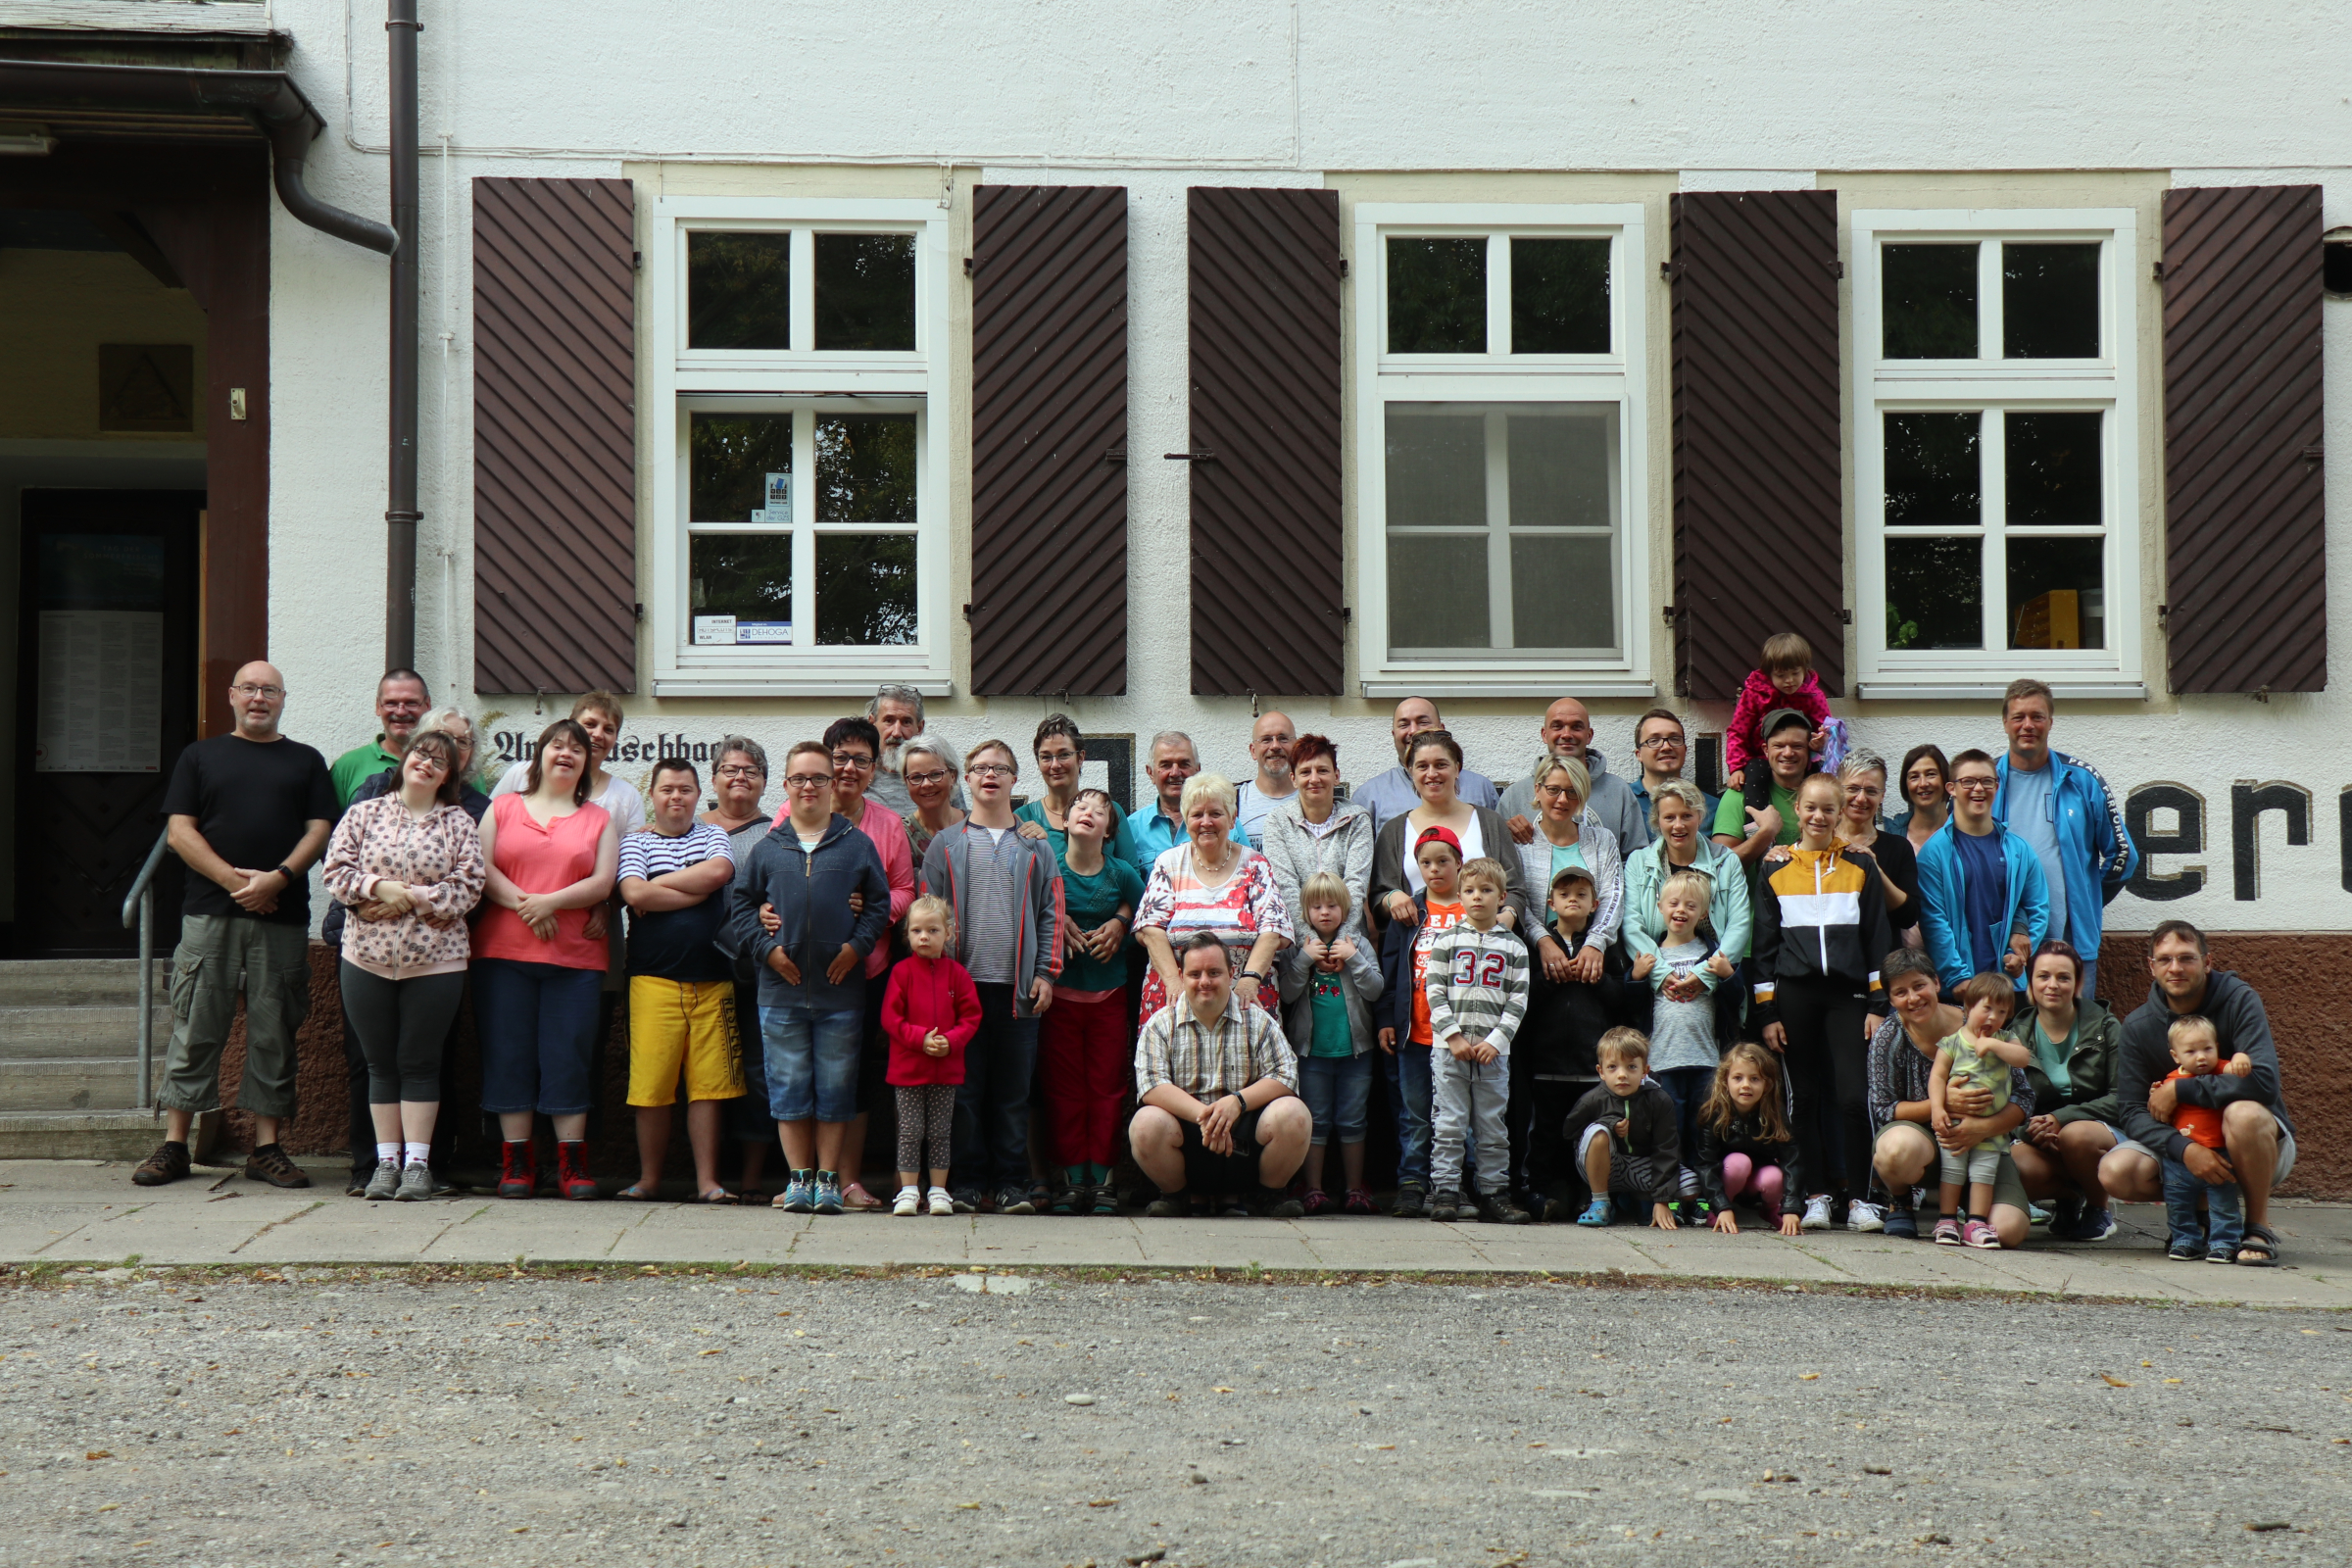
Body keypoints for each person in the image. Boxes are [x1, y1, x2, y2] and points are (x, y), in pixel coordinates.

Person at [134, 663, 336, 1192]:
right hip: (210, 913)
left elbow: (320, 829)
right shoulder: (200, 756)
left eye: (270, 690)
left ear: (283, 699)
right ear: (232, 696)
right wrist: (237, 883)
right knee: (196, 1027)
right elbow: (179, 832)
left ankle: (266, 1150)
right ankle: (175, 1146)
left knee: (274, 1033)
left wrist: (281, 878)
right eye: (249, 688)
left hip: (283, 917)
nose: (259, 698)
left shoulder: (306, 760)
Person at [319, 728, 483, 1200]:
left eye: (440, 760)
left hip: (436, 962)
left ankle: (417, 1166)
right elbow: (337, 871)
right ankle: (385, 1164)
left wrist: (410, 897)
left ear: (449, 775)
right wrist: (376, 889)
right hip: (365, 958)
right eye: (421, 754)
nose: (427, 763)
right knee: (379, 1063)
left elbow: (469, 884)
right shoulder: (364, 813)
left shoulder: (458, 822)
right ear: (405, 759)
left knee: (420, 1061)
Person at [734, 741, 891, 1217]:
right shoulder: (768, 848)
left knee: (835, 1088)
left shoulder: (857, 845)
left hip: (841, 993)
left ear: (831, 785)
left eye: (818, 778)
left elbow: (879, 905)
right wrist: (768, 952)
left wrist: (855, 948)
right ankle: (798, 1179)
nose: (808, 786)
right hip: (779, 992)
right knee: (789, 1087)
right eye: (799, 778)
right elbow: (742, 907)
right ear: (785, 786)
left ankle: (829, 1179)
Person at [470, 718, 619, 1202]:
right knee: (508, 1051)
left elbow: (602, 883)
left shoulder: (599, 818)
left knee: (568, 1054)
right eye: (557, 745)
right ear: (539, 755)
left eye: (577, 749)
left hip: (575, 960)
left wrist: (549, 904)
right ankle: (517, 1162)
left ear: (586, 763)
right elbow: (481, 867)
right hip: (503, 954)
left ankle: (571, 1164)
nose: (567, 753)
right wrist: (526, 905)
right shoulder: (503, 807)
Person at [919, 738, 1062, 1216]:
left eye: (1000, 768)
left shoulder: (1035, 845)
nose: (990, 776)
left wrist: (1045, 973)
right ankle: (965, 1183)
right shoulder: (946, 844)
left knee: (1012, 1095)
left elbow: (1051, 913)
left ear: (1014, 779)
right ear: (967, 779)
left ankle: (1011, 1185)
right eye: (980, 768)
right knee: (963, 1092)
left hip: (1019, 992)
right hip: (961, 991)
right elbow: (928, 914)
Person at [1749, 772, 1895, 1232]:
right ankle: (1814, 1195)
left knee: (1854, 1097)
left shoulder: (1860, 866)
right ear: (1797, 809)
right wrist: (1768, 1013)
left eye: (1827, 809)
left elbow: (1877, 939)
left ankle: (1861, 1199)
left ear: (1840, 813)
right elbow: (1764, 948)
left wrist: (1877, 1005)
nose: (1818, 816)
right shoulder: (1774, 867)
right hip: (1796, 995)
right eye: (1810, 807)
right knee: (1803, 1099)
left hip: (1848, 996)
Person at [2103, 921, 2296, 1267]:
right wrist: (2186, 1150)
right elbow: (2131, 1110)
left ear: (2207, 962)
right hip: (2183, 1145)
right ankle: (2198, 1218)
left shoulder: (2239, 1000)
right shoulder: (2138, 1025)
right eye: (2164, 959)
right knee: (2116, 1171)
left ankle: (2256, 1227)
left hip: (2255, 1144)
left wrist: (2180, 1089)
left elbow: (2265, 1082)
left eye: (2186, 958)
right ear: (2152, 966)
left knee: (2244, 1114)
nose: (2175, 968)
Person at [806, 715, 919, 1212]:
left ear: (875, 769)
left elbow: (905, 891)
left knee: (851, 1076)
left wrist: (872, 910)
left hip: (866, 970)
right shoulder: (796, 812)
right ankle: (803, 1177)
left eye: (861, 760)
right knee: (804, 1072)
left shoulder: (888, 824)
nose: (849, 768)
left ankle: (846, 1180)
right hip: (803, 969)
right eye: (840, 758)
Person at [616, 759, 742, 1203]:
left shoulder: (714, 835)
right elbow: (633, 893)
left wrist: (660, 887)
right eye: (667, 789)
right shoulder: (633, 842)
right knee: (651, 1087)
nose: (676, 797)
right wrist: (693, 890)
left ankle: (708, 1182)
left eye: (685, 789)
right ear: (652, 795)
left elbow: (718, 874)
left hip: (713, 978)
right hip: (652, 980)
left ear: (696, 794)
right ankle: (649, 1180)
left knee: (708, 1088)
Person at [1129, 932, 1309, 1218]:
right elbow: (1151, 1085)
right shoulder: (1161, 1024)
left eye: (1214, 972)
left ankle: (1269, 1195)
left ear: (1231, 973)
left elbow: (1286, 1074)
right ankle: (1177, 1197)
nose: (1204, 982)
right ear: (1182, 975)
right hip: (1188, 1138)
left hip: (1245, 1143)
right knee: (1145, 1123)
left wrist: (1235, 1103)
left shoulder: (1258, 1020)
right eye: (1195, 973)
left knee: (1294, 1113)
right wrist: (1207, 1116)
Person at [1865, 948, 2034, 1245]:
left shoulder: (1983, 1022)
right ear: (1891, 1000)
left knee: (2009, 1231)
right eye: (1901, 992)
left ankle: (1974, 1220)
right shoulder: (1889, 1035)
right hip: (1927, 1144)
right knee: (1895, 1149)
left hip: (1985, 1143)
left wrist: (1981, 1128)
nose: (1913, 998)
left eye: (1919, 986)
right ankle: (1902, 1201)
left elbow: (2024, 1096)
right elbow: (1883, 1108)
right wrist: (1940, 1104)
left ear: (1936, 984)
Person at [1992, 679, 2138, 999]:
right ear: (2005, 722)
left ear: (2051, 722)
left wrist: (2087, 898)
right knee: (2008, 1041)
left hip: (2071, 940)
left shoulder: (2082, 780)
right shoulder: (1984, 783)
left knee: (2075, 1041)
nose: (2027, 725)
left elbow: (2124, 855)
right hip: (2001, 941)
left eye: (2037, 716)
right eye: (2018, 717)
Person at [1038, 787, 1142, 1216]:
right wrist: (1056, 920)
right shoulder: (1048, 866)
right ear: (1064, 822)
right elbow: (1026, 907)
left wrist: (1120, 919)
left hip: (1109, 998)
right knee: (1063, 1090)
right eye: (1080, 807)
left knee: (1107, 1088)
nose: (1088, 813)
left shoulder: (1119, 873)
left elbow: (1152, 909)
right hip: (1058, 1000)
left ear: (1109, 830)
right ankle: (1069, 1177)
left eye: (1100, 811)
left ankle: (1102, 1179)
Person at [1134, 772, 1291, 1027]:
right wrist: (1175, 982)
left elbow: (1273, 930)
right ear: (1186, 820)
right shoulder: (1169, 863)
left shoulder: (1255, 864)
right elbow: (1150, 929)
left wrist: (1250, 980)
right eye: (1197, 815)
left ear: (1232, 819)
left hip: (1245, 997)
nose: (1206, 822)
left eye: (1215, 814)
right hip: (1175, 996)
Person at [1423, 857, 1532, 1225]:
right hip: (1449, 1051)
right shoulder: (1446, 940)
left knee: (1491, 1126)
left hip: (1493, 1055)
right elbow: (1433, 990)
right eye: (1469, 891)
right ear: (1459, 895)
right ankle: (1446, 1192)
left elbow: (1519, 1000)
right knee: (1449, 1123)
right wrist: (1452, 1035)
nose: (1477, 897)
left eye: (1486, 891)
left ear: (1501, 897)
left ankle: (1493, 1194)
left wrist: (1497, 1041)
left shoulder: (1515, 947)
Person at [1513, 865, 1621, 1220]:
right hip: (1547, 1066)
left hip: (1591, 1067)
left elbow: (1623, 999)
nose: (1572, 899)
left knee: (1589, 1134)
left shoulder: (1606, 947)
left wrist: (1597, 978)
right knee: (1545, 1135)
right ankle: (1545, 1193)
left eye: (1581, 894)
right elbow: (1523, 1000)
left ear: (1595, 904)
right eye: (1564, 894)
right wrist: (1552, 978)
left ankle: (1590, 1194)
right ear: (1550, 903)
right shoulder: (1538, 946)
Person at [1374, 825, 1470, 1218]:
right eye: (1425, 863)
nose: (1435, 870)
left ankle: (1459, 1186)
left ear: (1459, 863)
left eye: (1443, 861)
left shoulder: (1473, 910)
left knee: (1459, 1114)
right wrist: (1386, 1018)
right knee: (1414, 1113)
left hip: (1463, 1036)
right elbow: (1391, 967)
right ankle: (1411, 1184)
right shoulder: (1410, 914)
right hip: (1416, 1031)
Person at [1276, 870, 1382, 1216]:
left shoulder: (1359, 944)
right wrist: (1305, 961)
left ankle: (1355, 1188)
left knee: (1353, 1119)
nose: (1324, 912)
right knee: (1316, 1120)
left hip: (1355, 1050)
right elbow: (1287, 995)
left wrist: (1353, 959)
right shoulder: (1298, 947)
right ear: (1305, 912)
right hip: (1310, 1052)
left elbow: (1375, 990)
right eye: (1316, 906)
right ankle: (1314, 1188)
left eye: (1332, 905)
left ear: (1344, 907)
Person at [2006, 938, 2126, 1243]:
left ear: (2077, 983)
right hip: (2042, 1138)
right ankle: (2070, 1200)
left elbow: (2122, 1097)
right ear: (2030, 982)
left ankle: (2099, 1209)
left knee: (2077, 1136)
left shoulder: (2106, 1027)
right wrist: (2030, 1132)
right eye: (2043, 976)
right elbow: (2006, 1099)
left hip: (2099, 1134)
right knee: (2014, 1166)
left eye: (2063, 977)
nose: (2052, 985)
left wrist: (2062, 1118)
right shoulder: (2014, 1034)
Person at [1622, 779, 1750, 1049]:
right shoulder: (1638, 862)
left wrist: (1705, 974)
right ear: (1656, 821)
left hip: (1715, 986)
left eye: (1687, 816)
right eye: (1669, 817)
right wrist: (1660, 972)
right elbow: (1631, 924)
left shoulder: (1726, 861)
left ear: (1700, 817)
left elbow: (1739, 925)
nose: (1678, 825)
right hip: (1658, 987)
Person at [1632, 868, 1732, 1206]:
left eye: (1690, 905)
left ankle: (1703, 1196)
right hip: (1663, 1061)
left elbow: (1736, 1005)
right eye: (1673, 903)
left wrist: (1729, 977)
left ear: (1703, 913)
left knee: (1701, 1133)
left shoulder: (1713, 955)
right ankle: (1668, 1195)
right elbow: (1631, 1010)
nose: (1680, 910)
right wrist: (1634, 979)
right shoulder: (1651, 956)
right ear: (1659, 906)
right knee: (1668, 1133)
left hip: (1705, 1061)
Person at [1915, 749, 2050, 995]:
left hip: (2008, 986)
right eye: (1968, 781)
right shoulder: (1934, 853)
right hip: (1960, 988)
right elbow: (1934, 920)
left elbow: (2037, 906)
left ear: (1996, 786)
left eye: (1987, 781)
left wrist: (2018, 955)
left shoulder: (2019, 850)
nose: (1978, 788)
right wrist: (1957, 978)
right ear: (1951, 788)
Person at [1369, 731, 1530, 939]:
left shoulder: (1490, 823)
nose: (1432, 773)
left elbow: (1514, 887)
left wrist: (1509, 914)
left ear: (1457, 768)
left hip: (1483, 948)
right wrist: (1392, 898)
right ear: (1411, 771)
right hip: (1420, 955)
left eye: (1441, 764)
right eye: (1422, 766)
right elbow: (1378, 897)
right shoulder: (1394, 831)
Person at [705, 736, 775, 1199]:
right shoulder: (688, 826)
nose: (739, 778)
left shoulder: (775, 832)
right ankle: (705, 1173)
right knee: (707, 1069)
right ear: (713, 778)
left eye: (750, 771)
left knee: (755, 1067)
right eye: (730, 769)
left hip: (754, 970)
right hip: (694, 967)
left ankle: (752, 1175)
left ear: (765, 782)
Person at [881, 895, 980, 1218]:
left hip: (946, 1069)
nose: (924, 937)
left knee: (940, 1132)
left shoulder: (957, 974)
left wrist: (950, 1042)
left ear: (948, 934)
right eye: (916, 931)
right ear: (907, 934)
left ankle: (939, 1190)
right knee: (910, 1131)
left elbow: (971, 1016)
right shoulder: (901, 973)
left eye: (933, 930)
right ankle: (908, 1190)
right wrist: (920, 1039)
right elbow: (891, 1019)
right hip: (908, 1068)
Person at [1928, 972, 2032, 1249]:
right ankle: (1947, 1220)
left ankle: (1975, 1223)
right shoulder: (1952, 1042)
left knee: (1983, 1176)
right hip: (1955, 1125)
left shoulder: (2007, 1039)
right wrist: (1937, 1108)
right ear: (1969, 1006)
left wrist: (1995, 1044)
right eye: (1986, 1008)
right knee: (1952, 1172)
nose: (1992, 1018)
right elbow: (1937, 1077)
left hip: (1991, 1131)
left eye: (2001, 1012)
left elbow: (2023, 1059)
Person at [1506, 755, 1623, 986]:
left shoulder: (1602, 840)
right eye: (1553, 790)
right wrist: (1544, 941)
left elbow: (1613, 896)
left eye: (1572, 791)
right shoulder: (1520, 844)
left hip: (1592, 960)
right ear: (1537, 790)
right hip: (1535, 961)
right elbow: (1518, 899)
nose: (1562, 799)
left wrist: (1595, 942)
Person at [1261, 732, 1375, 948]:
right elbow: (1286, 887)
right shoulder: (1277, 822)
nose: (1314, 779)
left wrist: (1342, 942)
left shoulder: (1357, 820)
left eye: (1323, 770)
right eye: (1305, 772)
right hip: (1298, 946)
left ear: (1336, 775)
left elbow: (1356, 885)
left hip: (1351, 945)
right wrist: (1310, 942)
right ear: (1293, 779)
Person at [2156, 1014, 2254, 1263]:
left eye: (2207, 1049)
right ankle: (2184, 1240)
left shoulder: (2221, 1068)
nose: (2201, 1057)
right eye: (2191, 1051)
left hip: (2219, 1152)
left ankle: (2224, 1242)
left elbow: (2238, 1070)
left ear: (2217, 1048)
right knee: (2178, 1203)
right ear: (2176, 1056)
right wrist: (2153, 1097)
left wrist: (2241, 1058)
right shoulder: (2170, 1080)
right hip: (2180, 1159)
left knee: (2223, 1203)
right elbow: (2160, 1113)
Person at [1564, 1028, 1680, 1228]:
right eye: (1612, 1067)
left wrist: (1662, 1199)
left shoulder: (1659, 1100)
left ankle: (1642, 1200)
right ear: (1601, 1071)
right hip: (1605, 1169)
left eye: (1631, 1067)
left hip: (1640, 1166)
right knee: (1598, 1133)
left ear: (1645, 1070)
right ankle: (1601, 1202)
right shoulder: (1592, 1099)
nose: (1622, 1075)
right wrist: (1608, 1124)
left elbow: (1666, 1149)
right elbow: (1569, 1131)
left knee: (1690, 1186)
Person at [1497, 696, 1646, 852]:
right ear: (1544, 734)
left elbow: (1635, 859)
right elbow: (1498, 857)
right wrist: (1505, 832)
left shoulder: (1618, 791)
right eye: (1557, 726)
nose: (1567, 734)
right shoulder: (1513, 796)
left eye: (1576, 727)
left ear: (1589, 735)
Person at [489, 691, 646, 836]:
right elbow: (487, 828)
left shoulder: (627, 797)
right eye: (590, 724)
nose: (598, 734)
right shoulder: (522, 774)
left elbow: (632, 857)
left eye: (609, 730)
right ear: (572, 726)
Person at [1694, 1042, 1802, 1237]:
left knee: (1774, 1177)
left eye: (1754, 1079)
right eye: (1738, 1078)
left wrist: (1791, 1208)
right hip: (1728, 1178)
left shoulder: (1774, 1114)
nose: (1746, 1085)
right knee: (1738, 1163)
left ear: (1767, 1084)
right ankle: (1720, 1211)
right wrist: (1721, 1206)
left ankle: (1770, 1210)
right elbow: (1706, 1164)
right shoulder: (1714, 1113)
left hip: (1757, 1181)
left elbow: (1791, 1161)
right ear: (1725, 1080)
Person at [1352, 697, 1498, 831]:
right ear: (1394, 734)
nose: (1414, 731)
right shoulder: (1369, 795)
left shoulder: (1481, 788)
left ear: (1441, 728)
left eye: (1423, 722)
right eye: (1404, 724)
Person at [1723, 632, 1834, 805]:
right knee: (1754, 779)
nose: (1789, 681)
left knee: (1822, 784)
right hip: (1759, 758)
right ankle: (1755, 826)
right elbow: (1738, 732)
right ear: (1768, 674)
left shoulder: (1813, 696)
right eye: (1781, 675)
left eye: (1795, 673)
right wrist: (1736, 768)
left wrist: (1821, 742)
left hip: (1801, 759)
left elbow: (1827, 730)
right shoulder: (1754, 695)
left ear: (1805, 670)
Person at [1013, 712, 1138, 865]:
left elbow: (1132, 876)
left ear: (1081, 758)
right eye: (1046, 757)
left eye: (1064, 755)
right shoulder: (1022, 818)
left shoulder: (1110, 811)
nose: (1055, 765)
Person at [1834, 752, 1919, 946]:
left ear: (1882, 796)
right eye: (1853, 789)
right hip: (1831, 962)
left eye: (1871, 791)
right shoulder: (1821, 844)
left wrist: (1875, 870)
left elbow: (1908, 917)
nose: (1861, 798)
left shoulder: (1898, 848)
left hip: (1883, 964)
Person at [1711, 709, 1812, 868]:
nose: (1787, 753)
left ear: (1809, 749)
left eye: (1797, 746)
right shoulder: (1739, 795)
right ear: (1766, 750)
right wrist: (1765, 833)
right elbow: (1718, 865)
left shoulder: (1824, 795)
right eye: (1778, 746)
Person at [329, 668, 430, 808]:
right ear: (378, 706)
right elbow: (335, 828)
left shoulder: (445, 762)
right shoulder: (347, 766)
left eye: (411, 703)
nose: (401, 711)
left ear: (427, 705)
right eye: (391, 703)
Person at [863, 682, 961, 818]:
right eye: (889, 720)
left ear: (920, 728)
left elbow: (960, 828)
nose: (896, 732)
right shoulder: (859, 774)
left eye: (906, 722)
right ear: (872, 724)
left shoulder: (938, 775)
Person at [1625, 707, 1717, 833]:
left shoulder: (1711, 807)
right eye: (1654, 740)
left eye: (1674, 739)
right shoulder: (1622, 800)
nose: (1666, 747)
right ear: (1638, 754)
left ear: (1685, 750)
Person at [1125, 730, 1201, 879]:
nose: (1175, 772)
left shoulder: (1222, 823)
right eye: (1166, 765)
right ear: (1150, 773)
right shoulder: (1131, 828)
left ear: (1198, 770)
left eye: (1184, 764)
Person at [1232, 710, 1298, 852]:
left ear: (1296, 747)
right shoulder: (1233, 801)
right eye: (1266, 740)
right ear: (1253, 751)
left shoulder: (1315, 799)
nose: (1275, 746)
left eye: (1283, 738)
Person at [898, 734, 965, 863]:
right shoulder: (900, 835)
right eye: (916, 777)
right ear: (906, 782)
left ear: (953, 776)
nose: (927, 784)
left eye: (935, 774)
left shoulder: (976, 826)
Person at [1890, 744, 1951, 855]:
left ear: (1946, 779)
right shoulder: (1891, 835)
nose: (1923, 783)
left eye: (1931, 774)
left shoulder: (1965, 834)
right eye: (1914, 777)